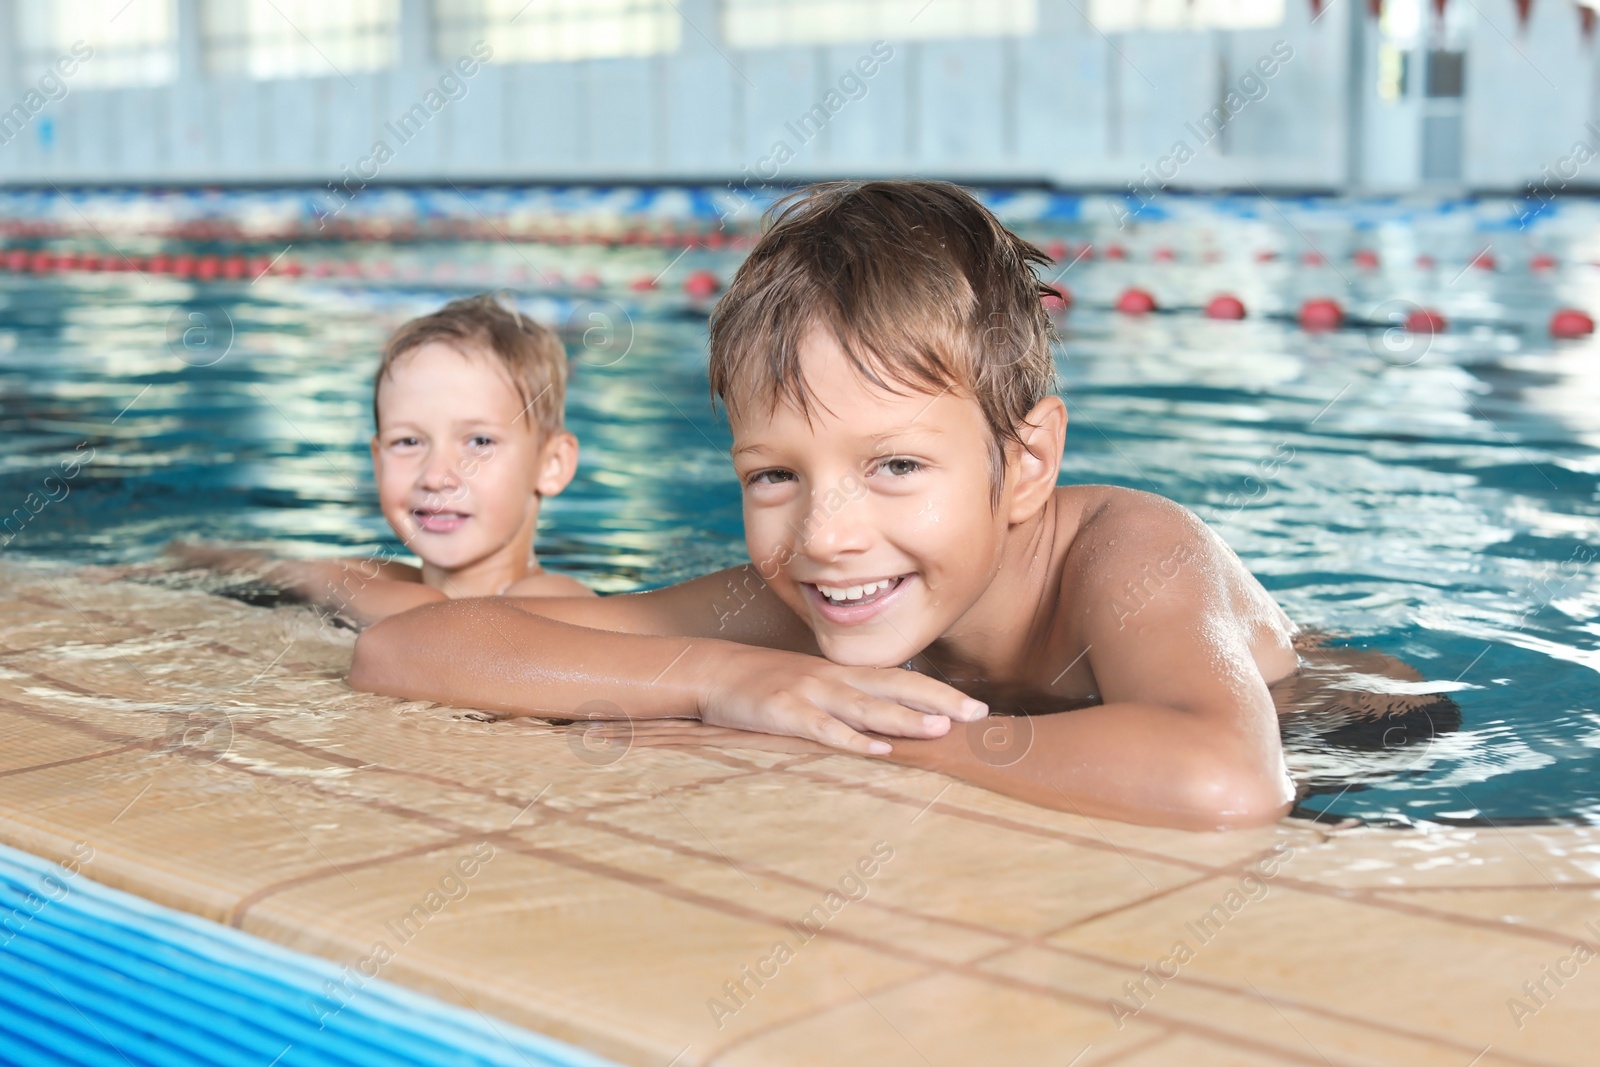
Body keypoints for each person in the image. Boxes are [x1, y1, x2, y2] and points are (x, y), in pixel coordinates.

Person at [349, 181, 1302, 830]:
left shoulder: (1134, 555)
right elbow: (407, 648)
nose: (825, 534)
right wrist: (729, 680)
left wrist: (875, 742)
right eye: (775, 476)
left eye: (893, 465)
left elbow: (1226, 777)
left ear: (1026, 461)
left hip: (1348, 732)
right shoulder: (823, 593)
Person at [175, 294, 592, 624]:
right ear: (377, 462)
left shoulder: (557, 600)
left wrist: (326, 583)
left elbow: (455, 629)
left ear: (551, 464)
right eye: (408, 442)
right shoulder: (379, 578)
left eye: (479, 441)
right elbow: (267, 569)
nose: (436, 476)